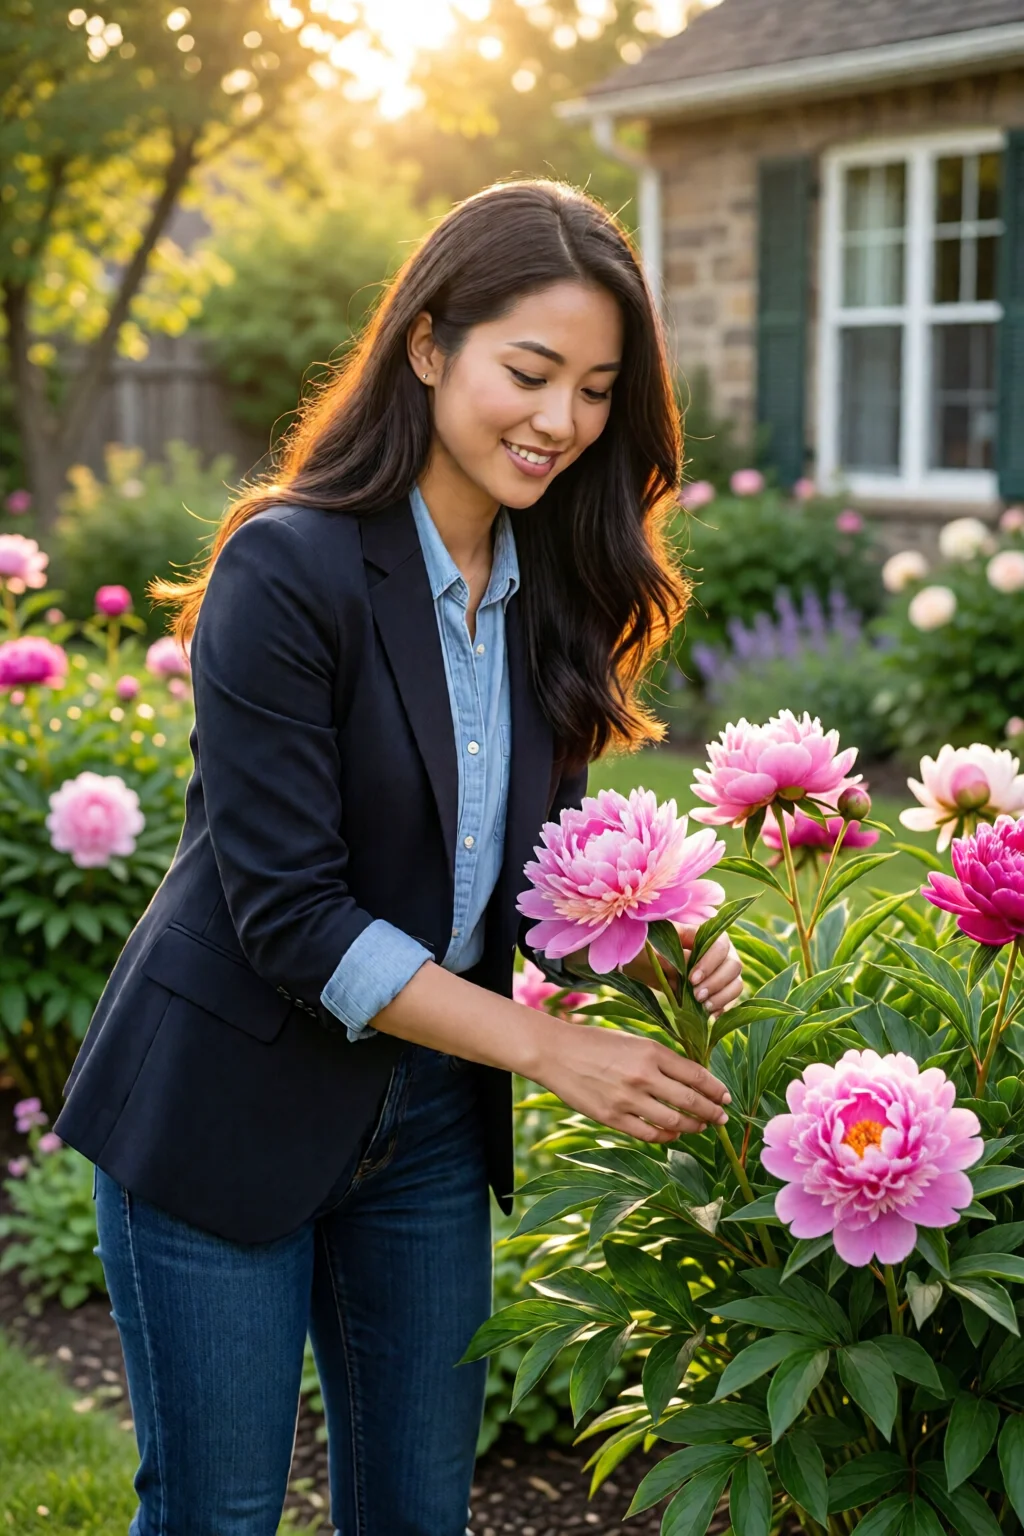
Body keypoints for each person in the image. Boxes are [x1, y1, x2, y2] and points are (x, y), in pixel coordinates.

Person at [53, 179, 742, 1536]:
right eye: (530, 372)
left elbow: (517, 878)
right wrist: (547, 1049)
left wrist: (641, 938)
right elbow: (293, 915)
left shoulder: (561, 596)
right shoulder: (288, 568)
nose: (560, 421)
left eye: (598, 390)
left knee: (418, 1514)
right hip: (220, 1110)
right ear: (429, 345)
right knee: (220, 1515)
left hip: (423, 1126)